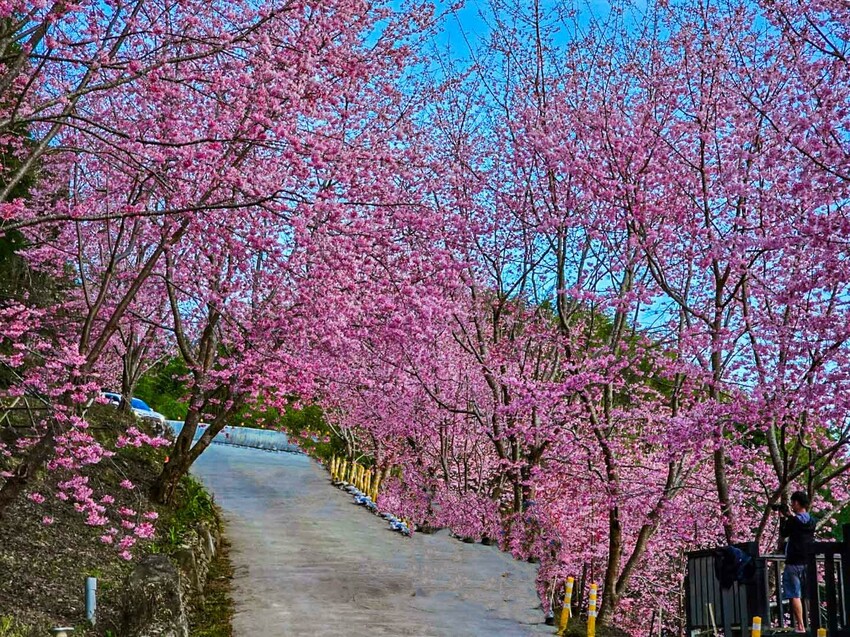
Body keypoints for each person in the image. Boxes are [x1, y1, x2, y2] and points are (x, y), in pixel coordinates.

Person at [779, 491, 816, 633]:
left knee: (794, 593)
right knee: (808, 592)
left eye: (793, 502)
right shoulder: (812, 521)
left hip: (793, 561)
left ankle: (800, 625)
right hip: (808, 560)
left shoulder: (792, 521)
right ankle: (814, 623)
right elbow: (800, 526)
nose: (792, 505)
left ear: (796, 503)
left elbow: (784, 533)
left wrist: (784, 518)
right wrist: (789, 516)